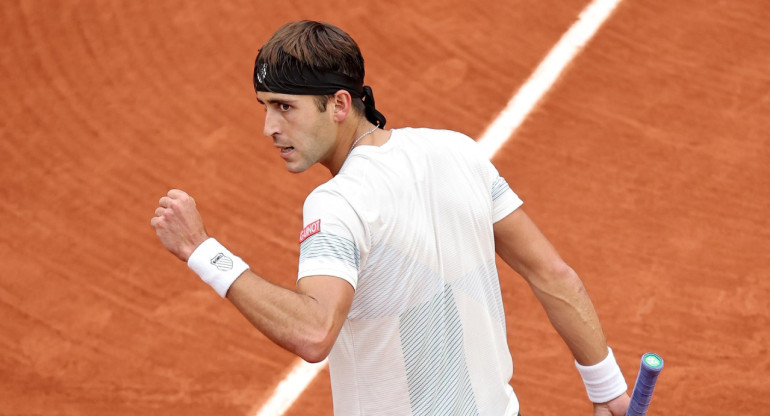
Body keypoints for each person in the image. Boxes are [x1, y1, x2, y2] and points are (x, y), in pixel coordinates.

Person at [151, 20, 631, 415]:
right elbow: (552, 273)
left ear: (339, 104)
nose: (269, 128)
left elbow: (313, 332)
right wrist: (607, 387)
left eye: (284, 107)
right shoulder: (459, 151)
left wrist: (202, 251)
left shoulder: (338, 202)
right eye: (265, 107)